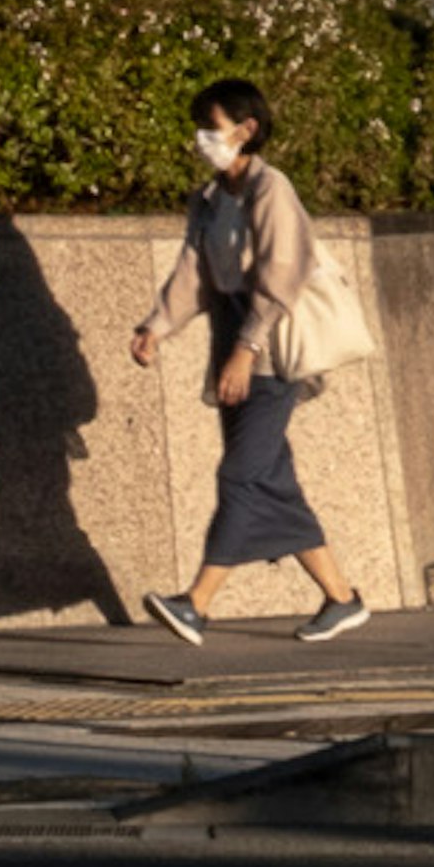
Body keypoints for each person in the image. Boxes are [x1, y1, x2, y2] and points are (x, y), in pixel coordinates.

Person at [126, 78, 372, 646]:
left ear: (247, 129)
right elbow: (193, 273)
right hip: (230, 339)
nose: (202, 139)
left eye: (212, 128)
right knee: (270, 477)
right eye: (200, 128)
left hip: (273, 351)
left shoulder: (271, 189)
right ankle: (342, 598)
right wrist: (156, 327)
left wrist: (247, 348)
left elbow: (282, 274)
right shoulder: (209, 199)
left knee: (240, 473)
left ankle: (196, 603)